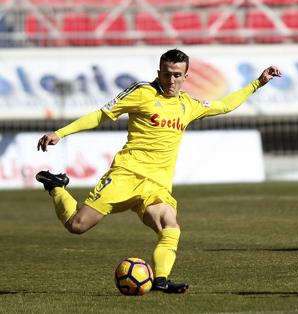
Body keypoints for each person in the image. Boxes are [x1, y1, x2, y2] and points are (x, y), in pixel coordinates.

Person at [35, 49, 281, 292]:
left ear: (186, 77)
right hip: (126, 175)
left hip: (157, 185)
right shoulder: (142, 92)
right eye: (166, 74)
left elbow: (224, 105)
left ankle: (160, 280)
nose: (171, 80)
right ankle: (56, 186)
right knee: (77, 225)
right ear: (159, 73)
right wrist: (60, 133)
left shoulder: (189, 104)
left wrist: (258, 83)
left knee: (170, 226)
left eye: (176, 75)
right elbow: (100, 115)